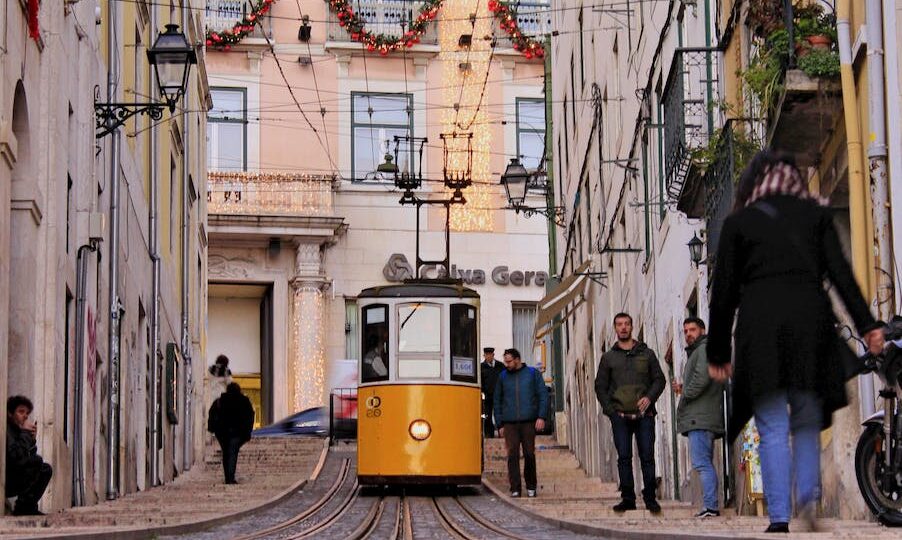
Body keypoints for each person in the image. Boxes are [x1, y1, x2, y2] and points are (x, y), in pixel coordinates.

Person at [707, 150, 885, 533]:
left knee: (771, 426)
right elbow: (841, 275)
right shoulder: (815, 216)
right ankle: (807, 494)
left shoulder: (740, 223)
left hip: (760, 330)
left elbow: (722, 294)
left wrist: (718, 349)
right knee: (805, 419)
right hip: (810, 325)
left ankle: (779, 519)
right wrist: (868, 325)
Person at [594, 312, 666, 513]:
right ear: (615, 329)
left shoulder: (647, 354)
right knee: (624, 458)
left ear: (632, 327)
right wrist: (611, 412)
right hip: (620, 418)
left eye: (626, 324)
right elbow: (600, 386)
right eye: (619, 324)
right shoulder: (608, 358)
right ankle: (628, 499)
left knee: (647, 457)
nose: (623, 327)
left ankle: (650, 498)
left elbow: (659, 380)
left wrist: (650, 397)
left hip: (645, 416)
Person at [675, 317, 724, 518]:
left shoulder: (703, 350)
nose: (688, 334)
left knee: (702, 463)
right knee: (704, 462)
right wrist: (683, 389)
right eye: (685, 331)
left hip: (700, 418)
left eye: (692, 330)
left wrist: (685, 392)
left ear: (702, 330)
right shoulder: (700, 350)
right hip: (703, 416)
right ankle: (710, 506)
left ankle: (711, 507)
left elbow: (702, 378)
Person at [494, 348, 548, 498]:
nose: (506, 364)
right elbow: (497, 400)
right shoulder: (503, 377)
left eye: (509, 361)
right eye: (505, 361)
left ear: (517, 359)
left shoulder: (532, 374)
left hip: (529, 421)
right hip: (509, 423)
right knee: (512, 455)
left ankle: (531, 486)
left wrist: (541, 417)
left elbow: (543, 395)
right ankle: (515, 488)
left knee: (529, 454)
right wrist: (499, 424)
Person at [6, 395, 52, 515]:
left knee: (45, 469)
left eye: (27, 413)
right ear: (10, 414)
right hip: (7, 479)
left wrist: (31, 439)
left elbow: (28, 458)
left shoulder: (19, 432)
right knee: (36, 461)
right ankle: (23, 508)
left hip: (16, 476)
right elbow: (16, 458)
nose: (25, 416)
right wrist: (26, 434)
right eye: (21, 411)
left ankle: (27, 506)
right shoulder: (7, 430)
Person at [208, 382, 255, 484]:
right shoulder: (244, 401)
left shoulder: (220, 401)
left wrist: (212, 428)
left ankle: (228, 477)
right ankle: (230, 478)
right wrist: (248, 431)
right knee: (232, 453)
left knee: (226, 453)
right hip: (237, 433)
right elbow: (250, 416)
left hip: (222, 432)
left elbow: (212, 413)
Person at [480, 347, 504, 437]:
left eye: (490, 355)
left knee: (500, 414)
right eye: (486, 355)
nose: (488, 357)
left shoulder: (500, 366)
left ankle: (501, 433)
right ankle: (489, 435)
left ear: (493, 355)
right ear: (484, 356)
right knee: (487, 416)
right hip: (488, 396)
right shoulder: (482, 367)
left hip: (499, 395)